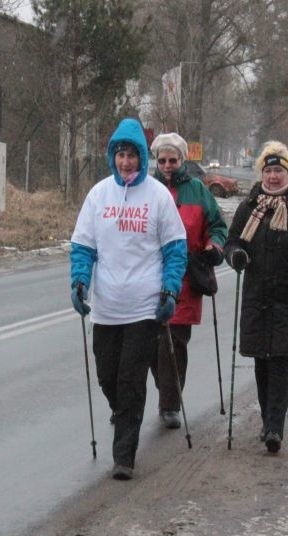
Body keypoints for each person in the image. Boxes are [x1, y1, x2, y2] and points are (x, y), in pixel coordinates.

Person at [70, 118, 187, 480]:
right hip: (105, 308)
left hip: (142, 307)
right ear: (113, 156)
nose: (126, 162)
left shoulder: (157, 197)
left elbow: (175, 250)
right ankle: (127, 416)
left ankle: (124, 456)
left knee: (131, 380)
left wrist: (169, 290)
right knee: (107, 376)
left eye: (132, 155)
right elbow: (83, 247)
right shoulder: (98, 195)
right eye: (121, 155)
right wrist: (79, 282)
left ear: (142, 158)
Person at [224, 141, 288, 454]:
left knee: (280, 362)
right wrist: (237, 256)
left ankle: (274, 428)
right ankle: (269, 418)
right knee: (261, 363)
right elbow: (232, 243)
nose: (273, 176)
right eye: (268, 171)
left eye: (278, 170)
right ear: (262, 174)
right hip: (256, 296)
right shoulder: (249, 206)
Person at [148, 133, 228, 429]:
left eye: (173, 160)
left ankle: (169, 404)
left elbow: (218, 226)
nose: (168, 165)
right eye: (162, 160)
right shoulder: (148, 188)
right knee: (149, 345)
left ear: (183, 160)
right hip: (148, 276)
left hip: (185, 277)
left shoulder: (197, 189)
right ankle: (166, 391)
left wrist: (214, 247)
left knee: (175, 342)